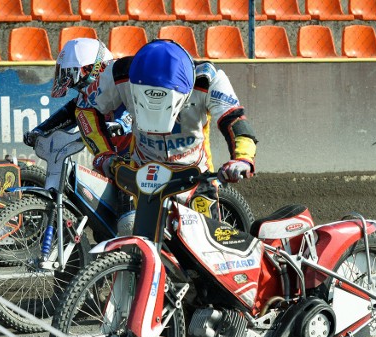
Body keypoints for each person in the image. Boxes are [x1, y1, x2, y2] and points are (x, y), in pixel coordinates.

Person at [30, 38, 258, 230]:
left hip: (195, 177)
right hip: (140, 174)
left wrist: (243, 158)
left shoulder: (209, 79)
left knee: (209, 253)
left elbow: (235, 121)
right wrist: (103, 154)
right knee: (126, 232)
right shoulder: (119, 73)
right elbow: (84, 107)